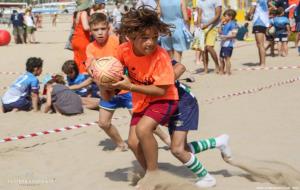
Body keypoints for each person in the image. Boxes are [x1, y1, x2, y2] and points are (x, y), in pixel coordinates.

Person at [107, 5, 179, 174]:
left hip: (164, 99)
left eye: (155, 37)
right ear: (131, 36)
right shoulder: (123, 50)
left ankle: (153, 173)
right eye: (145, 37)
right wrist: (101, 75)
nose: (151, 42)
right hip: (142, 102)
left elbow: (161, 91)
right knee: (132, 142)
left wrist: (130, 86)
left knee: (143, 129)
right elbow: (112, 70)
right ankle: (151, 174)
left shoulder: (161, 56)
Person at [86, 13, 170, 150]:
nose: (100, 33)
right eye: (96, 30)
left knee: (142, 120)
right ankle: (120, 144)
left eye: (103, 28)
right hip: (108, 88)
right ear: (91, 31)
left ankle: (166, 138)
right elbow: (90, 65)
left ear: (109, 28)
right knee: (103, 123)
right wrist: (95, 73)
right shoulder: (90, 47)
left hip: (128, 88)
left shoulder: (116, 41)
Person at [168, 60, 231, 188]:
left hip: (183, 103)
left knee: (177, 150)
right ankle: (218, 142)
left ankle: (206, 178)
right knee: (182, 149)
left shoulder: (155, 54)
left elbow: (180, 67)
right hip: (168, 106)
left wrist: (162, 83)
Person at [196, 0, 222, 73]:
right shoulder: (199, 1)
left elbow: (218, 15)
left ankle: (217, 65)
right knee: (203, 49)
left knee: (209, 47)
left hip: (214, 26)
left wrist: (207, 24)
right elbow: (199, 14)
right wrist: (198, 26)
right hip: (203, 27)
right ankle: (206, 68)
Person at [72, 0, 93, 73]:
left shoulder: (76, 13)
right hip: (82, 39)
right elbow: (86, 27)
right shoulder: (84, 13)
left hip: (76, 38)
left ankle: (77, 75)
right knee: (84, 59)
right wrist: (94, 28)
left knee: (77, 59)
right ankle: (83, 75)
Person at [250, 0, 270, 66]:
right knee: (259, 45)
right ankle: (261, 62)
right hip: (263, 22)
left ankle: (262, 63)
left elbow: (252, 9)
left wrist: (249, 14)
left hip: (259, 21)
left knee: (260, 44)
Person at [218, 9, 238, 75]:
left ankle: (228, 72)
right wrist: (220, 24)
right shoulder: (225, 24)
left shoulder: (233, 24)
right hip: (223, 44)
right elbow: (220, 32)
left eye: (225, 16)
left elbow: (234, 35)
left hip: (228, 44)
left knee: (227, 58)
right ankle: (221, 71)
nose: (224, 17)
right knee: (221, 58)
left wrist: (226, 37)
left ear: (230, 17)